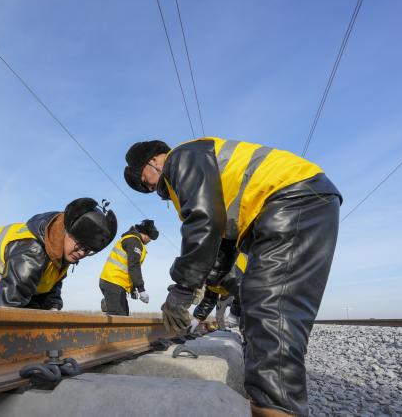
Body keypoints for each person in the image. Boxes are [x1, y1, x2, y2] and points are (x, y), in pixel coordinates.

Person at [123, 137, 342, 417]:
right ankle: (269, 402)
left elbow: (203, 223)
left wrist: (182, 290)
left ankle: (276, 408)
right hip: (290, 202)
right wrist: (203, 288)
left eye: (147, 181)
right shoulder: (200, 170)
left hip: (292, 198)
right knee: (260, 308)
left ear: (155, 160)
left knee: (271, 315)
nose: (152, 189)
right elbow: (221, 248)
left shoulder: (182, 158)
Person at [0, 198, 117, 309]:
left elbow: (51, 282)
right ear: (66, 230)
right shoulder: (32, 251)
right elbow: (8, 305)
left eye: (87, 250)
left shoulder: (62, 251)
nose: (81, 253)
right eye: (80, 245)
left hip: (7, 282)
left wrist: (52, 306)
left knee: (35, 312)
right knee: (19, 318)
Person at [98, 219, 159, 316]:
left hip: (113, 282)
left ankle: (109, 303)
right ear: (146, 234)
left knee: (123, 314)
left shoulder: (131, 240)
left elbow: (127, 267)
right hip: (114, 282)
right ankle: (109, 304)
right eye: (150, 238)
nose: (150, 240)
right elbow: (134, 266)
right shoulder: (134, 242)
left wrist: (132, 289)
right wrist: (141, 289)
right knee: (120, 318)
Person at [192, 253, 246, 330]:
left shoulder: (230, 276)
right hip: (231, 289)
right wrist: (196, 319)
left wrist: (234, 312)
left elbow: (243, 297)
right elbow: (208, 301)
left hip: (246, 276)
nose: (202, 286)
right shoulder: (210, 281)